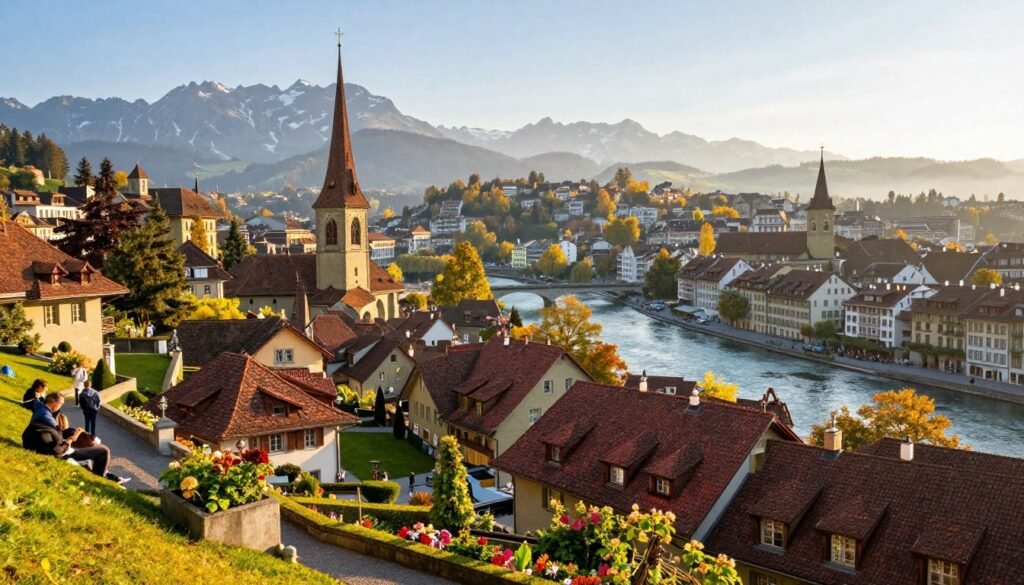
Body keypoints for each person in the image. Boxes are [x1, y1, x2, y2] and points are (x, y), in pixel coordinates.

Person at [22, 392, 128, 484]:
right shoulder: (46, 417)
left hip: (54, 445)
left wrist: (37, 397)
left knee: (93, 445)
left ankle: (105, 473)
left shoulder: (41, 409)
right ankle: (100, 476)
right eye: (61, 404)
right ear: (54, 403)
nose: (61, 406)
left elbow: (35, 403)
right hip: (64, 451)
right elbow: (57, 448)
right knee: (104, 450)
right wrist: (73, 438)